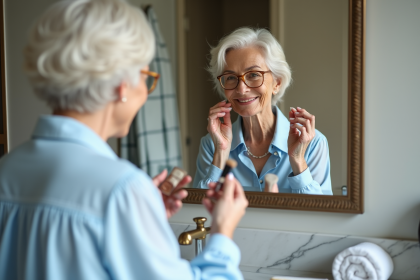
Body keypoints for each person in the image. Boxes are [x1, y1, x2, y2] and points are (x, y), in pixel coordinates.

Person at [0, 1, 248, 279]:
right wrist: (222, 232)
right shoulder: (121, 190)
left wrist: (139, 218)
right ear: (122, 87)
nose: (146, 92)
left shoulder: (5, 170)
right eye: (146, 78)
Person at [193, 27, 333, 195]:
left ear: (277, 82)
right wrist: (221, 154)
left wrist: (298, 161)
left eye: (253, 75)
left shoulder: (314, 143)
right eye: (230, 77)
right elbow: (201, 214)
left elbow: (320, 219)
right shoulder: (211, 145)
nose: (242, 89)